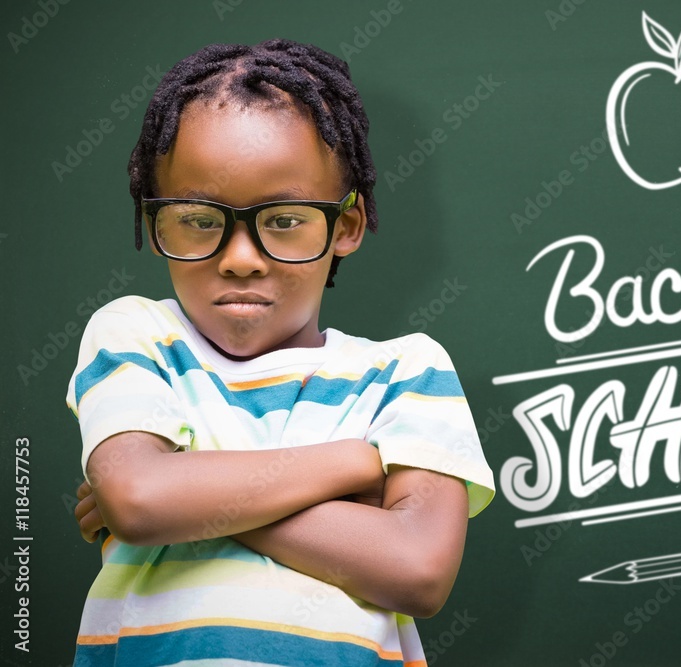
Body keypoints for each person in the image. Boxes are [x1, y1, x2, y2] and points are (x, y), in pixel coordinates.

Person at [65, 39, 494, 667]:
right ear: (154, 224)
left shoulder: (407, 372)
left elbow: (415, 569)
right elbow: (140, 500)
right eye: (198, 219)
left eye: (286, 220)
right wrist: (356, 464)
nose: (241, 259)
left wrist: (180, 495)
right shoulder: (133, 334)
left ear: (345, 226)